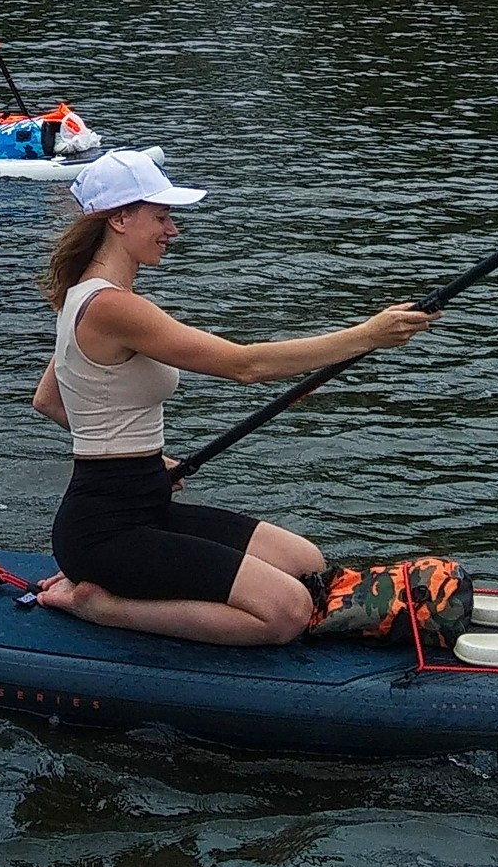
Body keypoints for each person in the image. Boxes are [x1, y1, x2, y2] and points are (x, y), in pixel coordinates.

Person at [30, 149, 434, 645]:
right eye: (160, 216)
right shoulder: (111, 307)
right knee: (288, 612)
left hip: (143, 501)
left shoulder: (82, 296)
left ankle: (117, 585)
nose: (172, 230)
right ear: (118, 219)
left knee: (307, 563)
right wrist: (369, 334)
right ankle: (102, 605)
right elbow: (245, 365)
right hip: (104, 529)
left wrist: (144, 460)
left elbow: (49, 400)